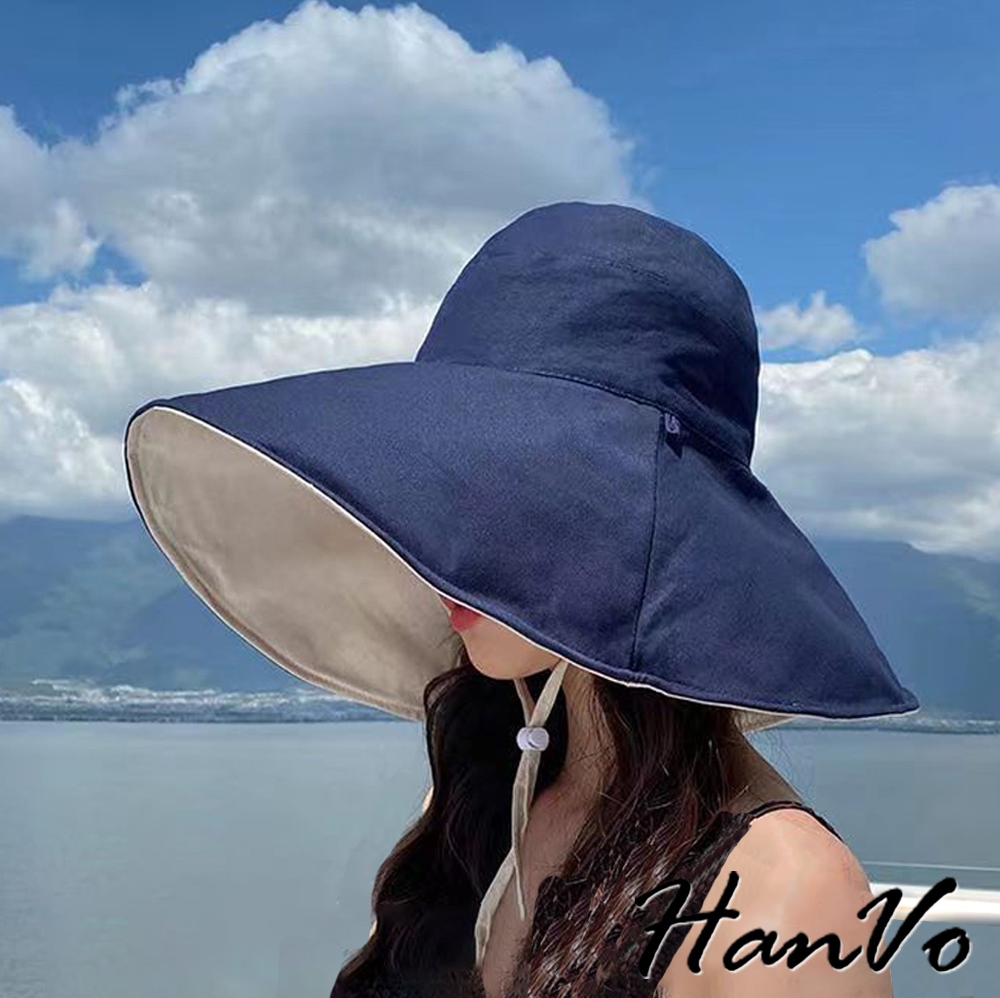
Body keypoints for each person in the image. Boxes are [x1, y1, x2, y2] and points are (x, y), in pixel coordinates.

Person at [123, 201, 919, 997]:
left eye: (506, 484)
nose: (445, 546)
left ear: (637, 520)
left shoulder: (782, 895)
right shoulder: (491, 788)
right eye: (447, 483)